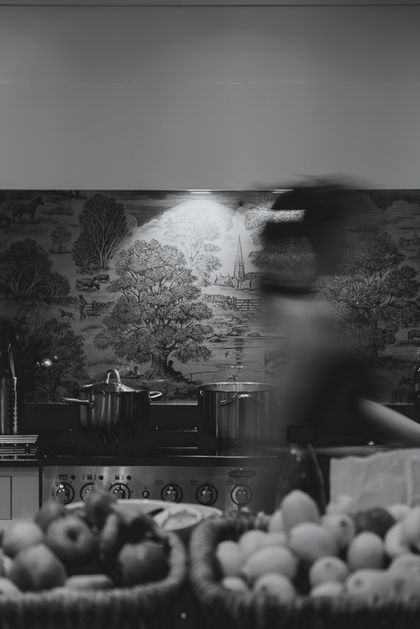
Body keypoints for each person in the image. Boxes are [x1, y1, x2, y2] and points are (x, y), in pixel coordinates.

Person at [259, 178, 420, 447]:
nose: (349, 241)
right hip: (319, 468)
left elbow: (352, 406)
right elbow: (289, 422)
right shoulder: (305, 319)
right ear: (319, 235)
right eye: (344, 229)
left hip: (327, 467)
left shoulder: (307, 311)